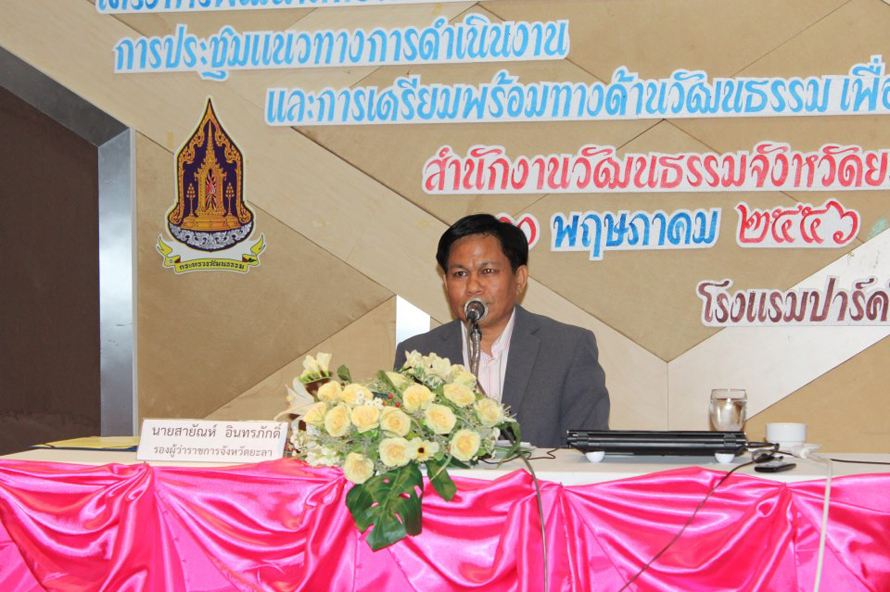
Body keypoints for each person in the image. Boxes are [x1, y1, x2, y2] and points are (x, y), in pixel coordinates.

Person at [394, 214, 609, 448]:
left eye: (488, 271)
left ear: (519, 278)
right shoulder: (418, 354)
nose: (473, 287)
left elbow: (589, 451)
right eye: (460, 274)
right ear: (446, 282)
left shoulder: (568, 348)